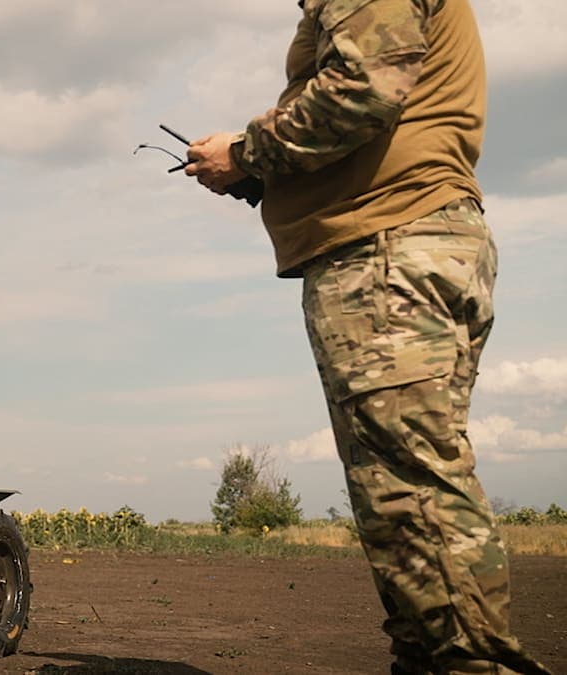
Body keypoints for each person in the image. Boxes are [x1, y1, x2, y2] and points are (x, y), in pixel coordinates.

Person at [183, 1, 550, 673]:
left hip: (388, 248)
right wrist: (261, 172)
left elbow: (361, 90)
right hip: (400, 245)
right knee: (397, 489)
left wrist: (241, 153)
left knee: (409, 486)